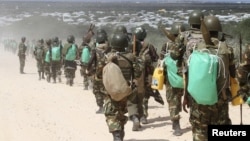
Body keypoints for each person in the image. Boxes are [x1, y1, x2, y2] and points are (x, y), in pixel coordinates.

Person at [182, 14, 235, 141]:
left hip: (198, 100)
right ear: (219, 30)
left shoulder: (194, 48)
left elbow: (187, 74)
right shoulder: (227, 49)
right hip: (219, 99)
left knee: (199, 130)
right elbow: (233, 74)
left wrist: (185, 96)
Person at [103, 33, 143, 141]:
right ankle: (122, 132)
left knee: (111, 114)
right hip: (127, 91)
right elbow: (138, 73)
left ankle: (117, 136)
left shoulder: (107, 57)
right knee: (121, 115)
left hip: (111, 92)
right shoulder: (131, 57)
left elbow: (99, 73)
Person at [128, 26, 159, 130]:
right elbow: (155, 58)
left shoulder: (130, 45)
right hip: (147, 75)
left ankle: (135, 115)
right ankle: (143, 116)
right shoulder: (149, 46)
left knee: (133, 96)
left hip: (134, 75)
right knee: (145, 95)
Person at [160, 22, 186, 136]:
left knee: (173, 101)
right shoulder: (187, 44)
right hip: (185, 76)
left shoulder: (166, 45)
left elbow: (161, 61)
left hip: (171, 78)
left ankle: (176, 125)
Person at [86, 29, 110, 113]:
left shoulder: (95, 50)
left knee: (97, 90)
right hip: (109, 74)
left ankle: (100, 107)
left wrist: (88, 69)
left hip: (98, 74)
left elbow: (91, 61)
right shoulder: (110, 49)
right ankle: (109, 105)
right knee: (108, 90)